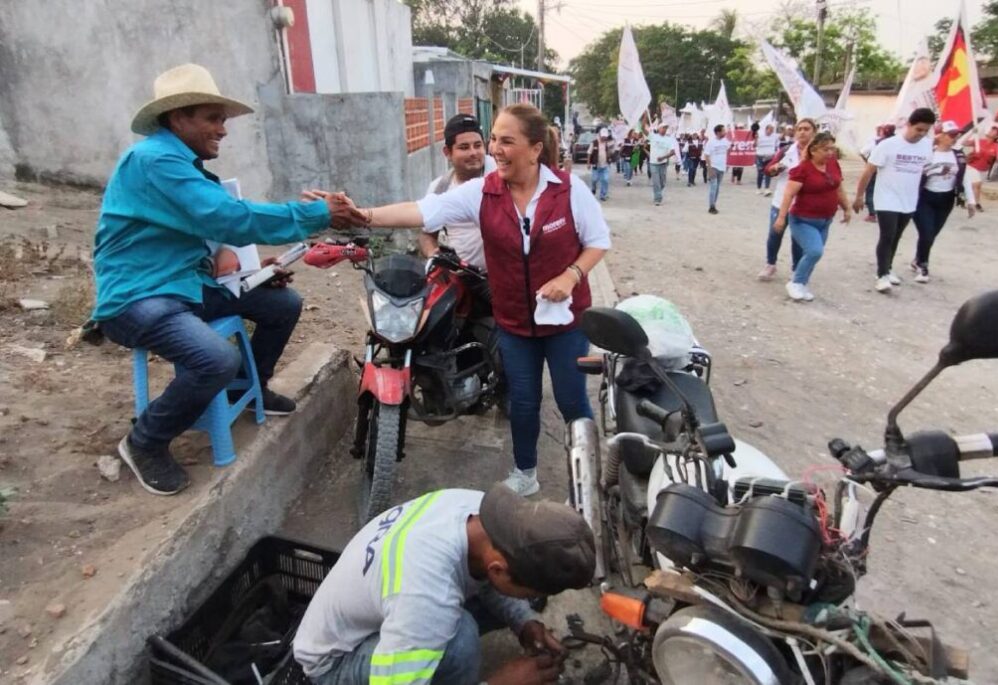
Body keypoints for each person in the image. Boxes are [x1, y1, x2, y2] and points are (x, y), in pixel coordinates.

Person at [310, 104, 610, 496]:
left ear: (535, 149)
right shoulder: (481, 193)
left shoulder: (569, 190)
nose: (495, 150)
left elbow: (598, 242)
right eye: (494, 140)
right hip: (516, 322)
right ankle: (525, 474)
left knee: (572, 401)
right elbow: (421, 211)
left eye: (506, 141)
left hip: (565, 320)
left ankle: (587, 480)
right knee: (522, 401)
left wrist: (570, 275)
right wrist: (361, 214)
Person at [91, 64, 360, 496]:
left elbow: (212, 232)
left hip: (183, 286)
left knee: (282, 304)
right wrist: (317, 213)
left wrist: (255, 268)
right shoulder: (155, 160)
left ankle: (250, 391)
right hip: (138, 296)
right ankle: (144, 442)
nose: (223, 130)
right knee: (216, 359)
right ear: (179, 118)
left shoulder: (182, 165)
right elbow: (227, 218)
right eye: (213, 118)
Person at [293, 484, 596, 685]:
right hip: (333, 663)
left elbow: (487, 577)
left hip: (379, 607)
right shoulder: (425, 595)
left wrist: (524, 622)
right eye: (532, 593)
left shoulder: (480, 513)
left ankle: (421, 652)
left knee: (478, 612)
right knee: (461, 638)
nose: (532, 599)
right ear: (498, 569)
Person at [854, 108, 937, 293]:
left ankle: (888, 268)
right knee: (887, 235)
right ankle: (881, 275)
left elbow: (924, 170)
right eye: (919, 129)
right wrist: (859, 196)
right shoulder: (888, 145)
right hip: (886, 199)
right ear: (909, 125)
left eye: (926, 131)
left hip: (908, 199)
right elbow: (869, 171)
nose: (921, 134)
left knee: (897, 236)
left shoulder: (926, 146)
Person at [774, 132, 852, 302]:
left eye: (832, 148)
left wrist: (846, 207)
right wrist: (781, 218)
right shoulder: (803, 169)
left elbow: (838, 188)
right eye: (826, 149)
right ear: (814, 150)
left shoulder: (833, 165)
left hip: (825, 220)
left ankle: (802, 284)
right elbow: (788, 195)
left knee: (813, 254)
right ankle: (795, 282)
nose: (830, 153)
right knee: (815, 251)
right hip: (802, 219)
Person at [420, 114, 497, 270]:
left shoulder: (501, 175)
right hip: (463, 279)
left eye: (478, 145)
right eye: (464, 147)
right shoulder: (439, 188)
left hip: (504, 279)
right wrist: (434, 255)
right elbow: (427, 234)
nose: (473, 152)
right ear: (447, 152)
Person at [910, 121, 976, 283]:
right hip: (924, 198)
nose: (955, 138)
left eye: (957, 135)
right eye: (951, 135)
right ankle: (923, 265)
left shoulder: (958, 155)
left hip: (946, 199)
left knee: (932, 234)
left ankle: (918, 258)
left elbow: (964, 178)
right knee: (926, 233)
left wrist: (971, 200)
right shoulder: (926, 154)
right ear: (940, 135)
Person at [757, 118, 816, 281]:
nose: (803, 132)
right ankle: (770, 264)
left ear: (814, 132)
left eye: (807, 129)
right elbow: (768, 169)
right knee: (775, 234)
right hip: (781, 201)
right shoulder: (786, 151)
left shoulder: (818, 153)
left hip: (804, 205)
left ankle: (796, 269)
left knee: (798, 239)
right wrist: (774, 168)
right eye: (800, 129)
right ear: (795, 132)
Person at [962, 124, 998, 212]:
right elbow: (963, 143)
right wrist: (971, 133)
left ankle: (973, 201)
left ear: (996, 136)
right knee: (976, 184)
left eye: (995, 131)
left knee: (977, 186)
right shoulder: (979, 141)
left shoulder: (996, 146)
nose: (991, 131)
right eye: (992, 129)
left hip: (984, 169)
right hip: (972, 166)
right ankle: (973, 203)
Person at [859, 124, 897, 223]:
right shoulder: (897, 142)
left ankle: (872, 214)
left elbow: (862, 152)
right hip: (891, 172)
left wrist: (868, 162)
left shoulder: (877, 142)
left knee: (870, 190)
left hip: (875, 169)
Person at [648, 121, 676, 206]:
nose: (664, 130)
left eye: (666, 128)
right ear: (659, 129)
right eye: (663, 128)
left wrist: (663, 157)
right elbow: (642, 127)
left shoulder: (669, 139)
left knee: (662, 182)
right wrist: (645, 116)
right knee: (656, 182)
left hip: (663, 163)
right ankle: (658, 198)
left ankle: (658, 192)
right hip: (653, 163)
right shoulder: (653, 136)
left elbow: (672, 152)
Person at [704, 124, 730, 214]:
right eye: (723, 131)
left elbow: (729, 149)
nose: (725, 132)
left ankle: (714, 204)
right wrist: (709, 169)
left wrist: (727, 163)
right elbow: (706, 155)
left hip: (722, 167)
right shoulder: (711, 142)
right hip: (714, 167)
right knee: (713, 187)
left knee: (717, 188)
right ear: (718, 132)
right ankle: (711, 206)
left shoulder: (726, 141)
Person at [588, 128, 614, 201]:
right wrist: (588, 163)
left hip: (605, 165)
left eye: (605, 137)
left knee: (605, 180)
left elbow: (609, 153)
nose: (604, 138)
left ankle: (603, 195)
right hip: (596, 165)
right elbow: (589, 153)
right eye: (603, 137)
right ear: (600, 135)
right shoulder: (594, 142)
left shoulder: (607, 143)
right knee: (594, 179)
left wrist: (610, 152)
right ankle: (593, 188)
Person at [755, 123, 779, 195]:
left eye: (772, 130)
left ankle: (767, 188)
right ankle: (758, 188)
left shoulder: (774, 136)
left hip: (770, 157)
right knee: (760, 173)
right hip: (760, 156)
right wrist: (756, 139)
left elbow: (777, 144)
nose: (771, 131)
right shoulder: (760, 136)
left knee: (768, 172)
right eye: (770, 130)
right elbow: (755, 145)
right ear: (766, 129)